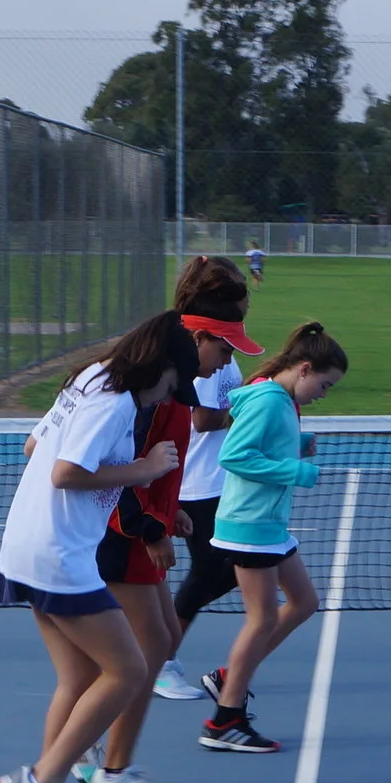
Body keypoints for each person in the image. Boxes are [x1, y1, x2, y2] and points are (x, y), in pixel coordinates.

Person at [0, 312, 194, 783]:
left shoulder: (90, 378)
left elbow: (35, 447)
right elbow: (65, 472)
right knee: (128, 670)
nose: (166, 398)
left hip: (28, 547)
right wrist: (144, 469)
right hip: (58, 555)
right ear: (160, 368)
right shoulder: (116, 401)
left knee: (79, 677)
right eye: (172, 386)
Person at [201, 321, 347, 755]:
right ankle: (225, 720)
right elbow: (235, 455)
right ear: (304, 369)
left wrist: (296, 443)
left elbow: (264, 444)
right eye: (324, 384)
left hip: (268, 525)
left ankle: (230, 677)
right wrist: (295, 469)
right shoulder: (268, 400)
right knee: (262, 619)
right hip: (250, 525)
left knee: (304, 602)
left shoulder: (279, 398)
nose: (323, 394)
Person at [158, 257, 263, 703]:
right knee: (214, 571)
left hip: (215, 480)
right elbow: (202, 419)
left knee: (231, 570)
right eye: (242, 298)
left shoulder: (220, 349)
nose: (247, 305)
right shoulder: (200, 350)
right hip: (198, 484)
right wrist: (249, 414)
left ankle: (159, 650)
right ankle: (160, 658)